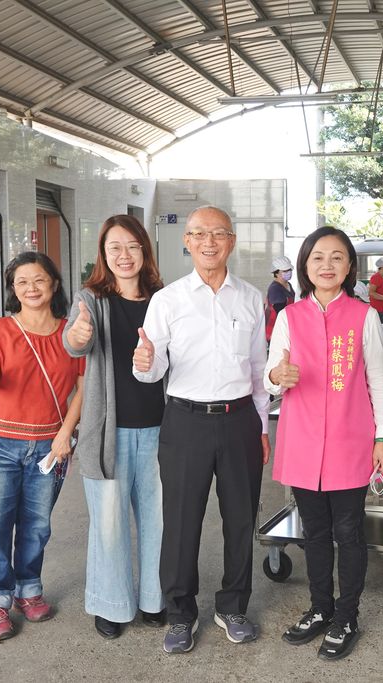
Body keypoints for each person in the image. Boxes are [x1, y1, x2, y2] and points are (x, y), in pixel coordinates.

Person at [133, 206, 270, 654]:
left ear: (231, 241)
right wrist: (145, 364)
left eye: (217, 234)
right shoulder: (167, 300)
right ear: (186, 242)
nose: (208, 242)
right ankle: (180, 613)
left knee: (241, 519)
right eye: (198, 234)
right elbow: (152, 371)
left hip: (239, 421)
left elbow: (256, 368)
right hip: (185, 421)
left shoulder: (250, 298)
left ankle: (232, 606)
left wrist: (262, 426)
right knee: (181, 523)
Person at [265, 227, 383, 661]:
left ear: (348, 267)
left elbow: (379, 379)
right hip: (303, 442)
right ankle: (320, 608)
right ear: (305, 265)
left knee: (349, 531)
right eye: (317, 257)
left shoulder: (363, 315)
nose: (326, 265)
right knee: (314, 532)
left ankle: (347, 615)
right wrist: (277, 377)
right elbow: (272, 372)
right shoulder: (290, 317)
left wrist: (382, 436)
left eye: (337, 257)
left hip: (349, 440)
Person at [0, 252, 85, 641]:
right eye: (22, 282)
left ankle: (29, 589)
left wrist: (66, 433)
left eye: (39, 279)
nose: (31, 288)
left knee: (36, 526)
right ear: (13, 289)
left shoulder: (72, 333)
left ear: (54, 284)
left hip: (49, 445)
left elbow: (84, 387)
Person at [62, 215, 167, 640]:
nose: (124, 256)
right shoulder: (90, 298)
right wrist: (79, 332)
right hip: (109, 431)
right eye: (114, 248)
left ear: (145, 250)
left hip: (162, 428)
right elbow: (76, 342)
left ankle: (155, 599)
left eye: (132, 246)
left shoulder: (164, 298)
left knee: (159, 520)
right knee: (108, 524)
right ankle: (111, 603)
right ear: (103, 255)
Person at [265, 256, 296, 341]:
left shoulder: (288, 285)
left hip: (288, 326)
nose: (289, 272)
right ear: (277, 273)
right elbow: (280, 312)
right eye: (285, 271)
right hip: (277, 329)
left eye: (289, 270)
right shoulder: (275, 288)